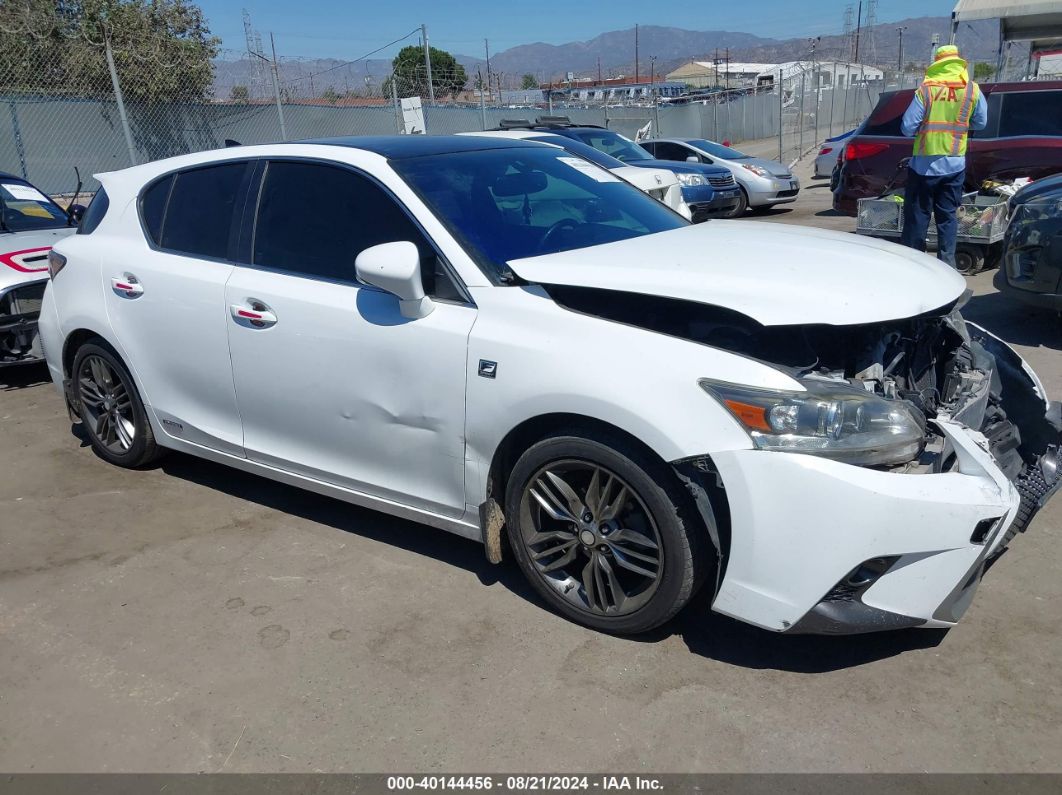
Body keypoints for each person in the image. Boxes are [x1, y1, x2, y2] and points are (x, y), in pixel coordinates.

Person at [900, 44, 988, 267]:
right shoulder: (971, 90)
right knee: (947, 218)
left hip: (923, 167)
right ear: (958, 63)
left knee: (918, 218)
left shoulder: (926, 90)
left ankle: (915, 264)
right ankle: (947, 265)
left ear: (937, 63)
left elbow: (907, 127)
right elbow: (981, 122)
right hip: (954, 165)